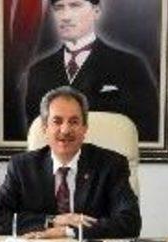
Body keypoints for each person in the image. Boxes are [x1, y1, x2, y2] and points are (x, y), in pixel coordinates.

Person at [0, 86, 141, 239]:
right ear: (45, 128)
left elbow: (130, 222)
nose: (65, 130)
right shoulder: (22, 167)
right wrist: (52, 221)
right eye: (57, 121)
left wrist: (68, 232)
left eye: (74, 121)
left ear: (84, 128)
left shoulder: (111, 165)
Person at [23, 0, 158, 141]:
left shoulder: (130, 65)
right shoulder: (39, 70)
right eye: (59, 8)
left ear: (96, 11)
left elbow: (147, 126)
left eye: (75, 6)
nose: (65, 16)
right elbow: (36, 134)